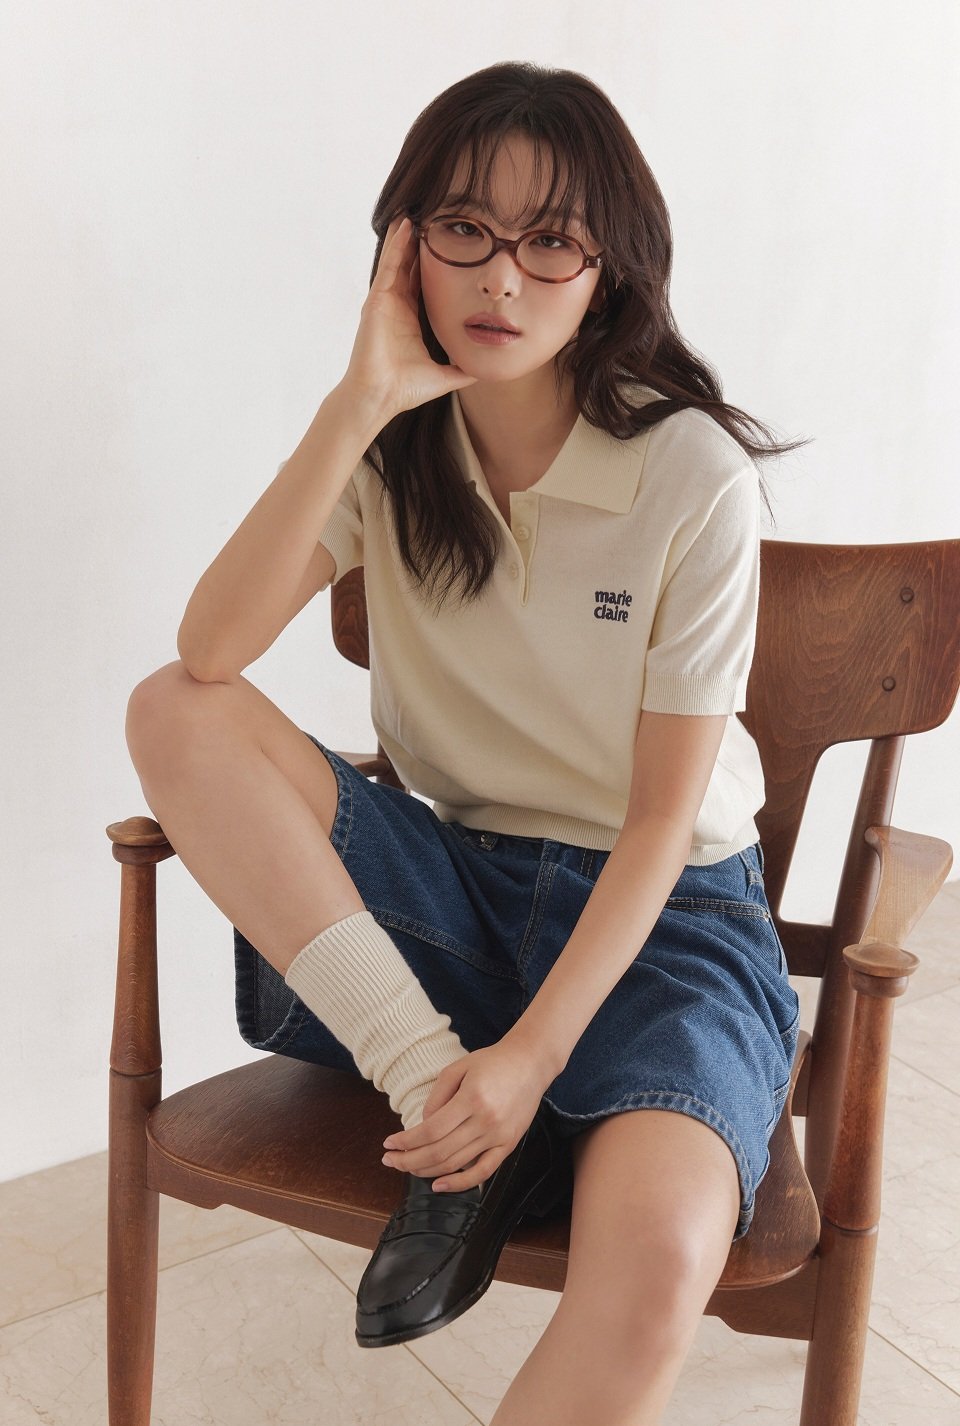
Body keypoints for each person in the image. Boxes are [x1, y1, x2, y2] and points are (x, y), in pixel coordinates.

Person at [125, 60, 805, 1425]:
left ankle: (504, 1101)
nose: (501, 276)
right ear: (405, 247)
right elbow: (209, 650)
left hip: (663, 926)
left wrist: (537, 1055)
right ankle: (439, 1090)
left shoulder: (692, 474)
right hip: (455, 900)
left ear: (609, 270)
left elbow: (661, 823)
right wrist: (357, 402)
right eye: (463, 228)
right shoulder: (395, 451)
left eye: (551, 240)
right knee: (170, 706)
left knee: (659, 1262)